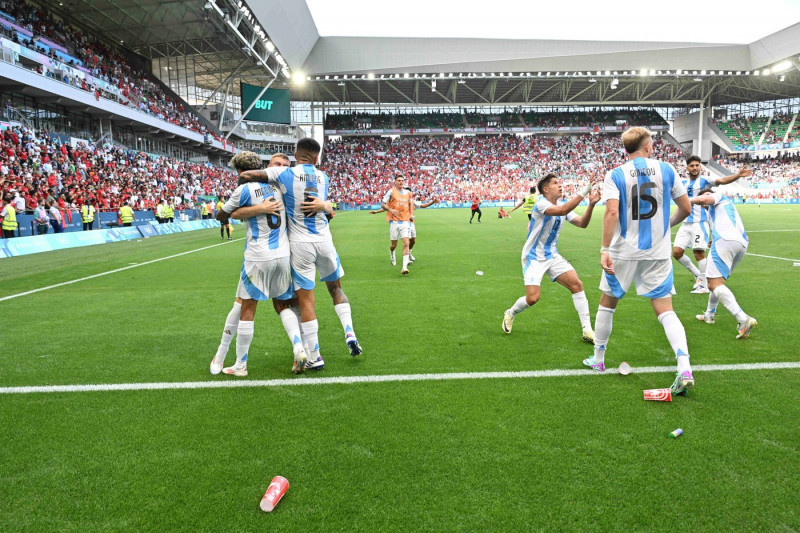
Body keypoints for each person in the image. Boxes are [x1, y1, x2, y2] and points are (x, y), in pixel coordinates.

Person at [583, 127, 696, 396]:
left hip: (623, 250)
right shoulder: (667, 169)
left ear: (627, 149)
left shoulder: (616, 174)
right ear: (647, 146)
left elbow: (612, 211)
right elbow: (686, 208)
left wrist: (604, 248)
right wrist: (665, 226)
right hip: (657, 252)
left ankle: (598, 360)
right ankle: (684, 367)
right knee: (665, 310)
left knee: (608, 302)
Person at [238, 138, 363, 360]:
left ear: (295, 154)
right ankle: (349, 332)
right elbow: (325, 208)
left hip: (299, 245)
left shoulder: (285, 174)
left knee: (305, 301)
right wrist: (325, 205)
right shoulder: (324, 177)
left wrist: (258, 179)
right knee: (336, 289)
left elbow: (247, 176)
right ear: (317, 158)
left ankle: (315, 356)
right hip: (325, 240)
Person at [211, 151, 310, 376]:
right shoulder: (281, 189)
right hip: (283, 256)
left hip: (258, 257)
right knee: (283, 304)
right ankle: (299, 347)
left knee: (247, 307)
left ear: (240, 172)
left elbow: (221, 216)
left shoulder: (243, 189)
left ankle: (240, 365)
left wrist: (252, 210)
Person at [502, 173, 599, 343]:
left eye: (559, 182)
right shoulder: (541, 204)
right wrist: (583, 192)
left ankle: (587, 330)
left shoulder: (562, 206)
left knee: (577, 285)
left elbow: (582, 223)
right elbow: (561, 211)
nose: (560, 185)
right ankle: (511, 312)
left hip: (552, 255)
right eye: (555, 183)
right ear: (546, 189)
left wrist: (590, 205)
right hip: (534, 257)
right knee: (533, 298)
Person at [672, 155, 751, 294]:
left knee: (698, 253)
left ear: (700, 167)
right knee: (677, 253)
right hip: (685, 223)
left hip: (700, 223)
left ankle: (704, 285)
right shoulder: (683, 183)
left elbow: (722, 180)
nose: (695, 168)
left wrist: (737, 175)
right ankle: (698, 274)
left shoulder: (705, 181)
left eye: (697, 165)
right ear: (687, 168)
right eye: (692, 165)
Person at [691, 188, 757, 339]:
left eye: (706, 197)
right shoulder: (723, 209)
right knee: (716, 281)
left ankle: (743, 319)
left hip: (725, 241)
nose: (704, 202)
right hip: (741, 244)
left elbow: (702, 199)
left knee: (714, 284)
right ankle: (709, 314)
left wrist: (684, 200)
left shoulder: (719, 197)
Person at [381, 175, 414, 275]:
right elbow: (383, 204)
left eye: (402, 180)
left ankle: (404, 267)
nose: (401, 182)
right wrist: (390, 210)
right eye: (399, 180)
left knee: (406, 243)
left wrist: (411, 215)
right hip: (394, 222)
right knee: (393, 245)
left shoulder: (408, 193)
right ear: (395, 182)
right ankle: (392, 253)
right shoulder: (391, 192)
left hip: (405, 222)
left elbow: (410, 205)